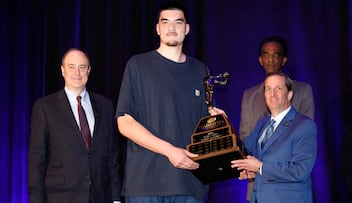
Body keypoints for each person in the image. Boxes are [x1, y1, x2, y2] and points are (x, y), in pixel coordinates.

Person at [115, 2, 224, 203]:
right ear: (157, 28)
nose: (171, 28)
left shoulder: (201, 71)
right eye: (165, 22)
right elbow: (125, 123)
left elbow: (206, 127)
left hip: (191, 183)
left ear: (187, 28)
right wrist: (170, 151)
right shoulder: (138, 65)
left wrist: (219, 124)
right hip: (145, 184)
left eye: (178, 22)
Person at [28, 48, 121, 203]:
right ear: (62, 70)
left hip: (100, 197)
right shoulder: (45, 107)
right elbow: (37, 160)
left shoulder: (105, 106)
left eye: (82, 67)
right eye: (71, 67)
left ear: (89, 71)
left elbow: (112, 156)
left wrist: (116, 198)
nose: (77, 73)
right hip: (59, 197)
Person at [239, 36, 315, 201]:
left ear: (289, 94)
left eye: (278, 89)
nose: (272, 94)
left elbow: (300, 169)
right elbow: (243, 147)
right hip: (259, 193)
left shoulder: (304, 124)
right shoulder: (262, 124)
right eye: (268, 89)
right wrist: (220, 122)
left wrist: (260, 167)